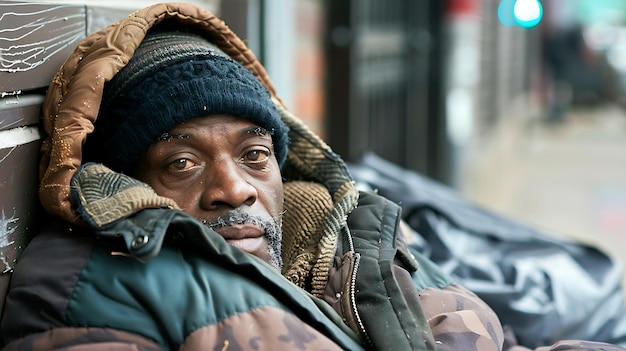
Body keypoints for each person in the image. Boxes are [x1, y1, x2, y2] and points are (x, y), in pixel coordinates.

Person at [0, 3, 624, 351]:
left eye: (254, 154)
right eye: (181, 163)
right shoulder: (83, 292)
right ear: (122, 182)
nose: (235, 189)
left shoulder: (349, 235)